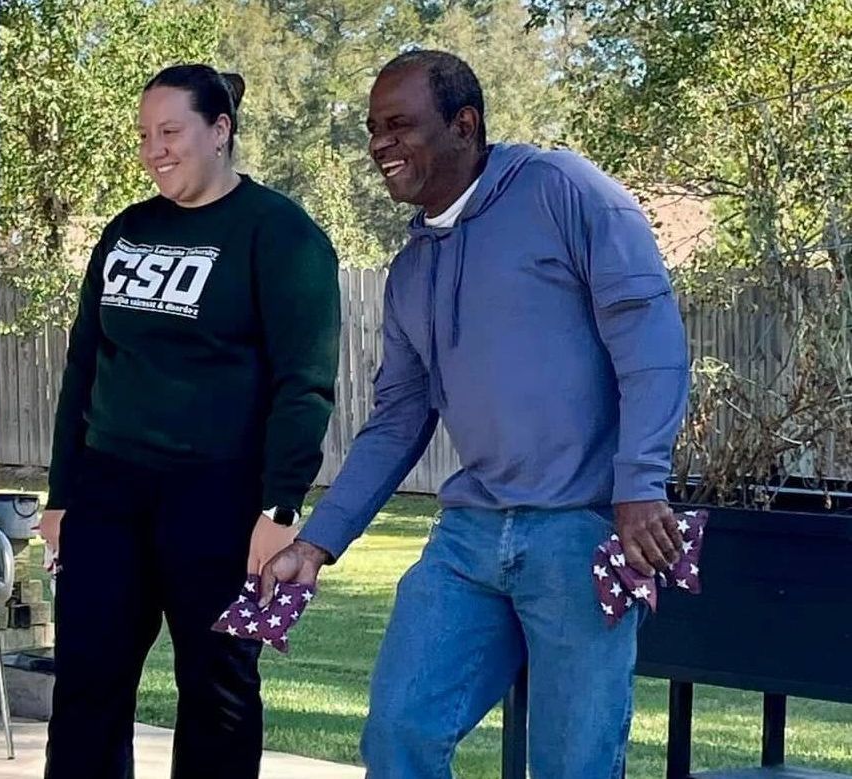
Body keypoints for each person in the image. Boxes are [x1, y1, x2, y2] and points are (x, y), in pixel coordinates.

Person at [260, 50, 689, 778]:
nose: (380, 145)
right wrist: (318, 541)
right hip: (468, 537)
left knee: (573, 764)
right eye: (372, 128)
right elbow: (397, 419)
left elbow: (650, 339)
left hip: (579, 533)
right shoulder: (412, 269)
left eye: (400, 125)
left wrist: (640, 482)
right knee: (399, 733)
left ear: (465, 124)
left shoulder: (562, 191)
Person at [40, 64, 341, 779]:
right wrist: (60, 496)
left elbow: (305, 385)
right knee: (87, 680)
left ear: (220, 130)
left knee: (217, 690)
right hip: (108, 493)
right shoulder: (126, 230)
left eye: (170, 131)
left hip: (220, 498)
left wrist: (280, 506)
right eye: (145, 135)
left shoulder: (282, 235)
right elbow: (83, 369)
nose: (154, 149)